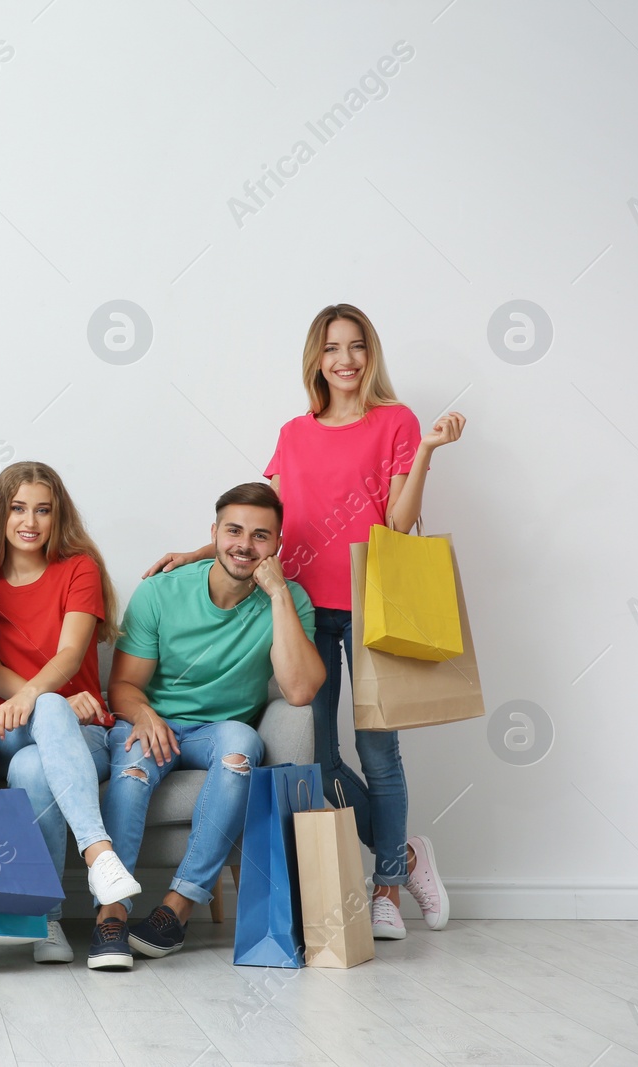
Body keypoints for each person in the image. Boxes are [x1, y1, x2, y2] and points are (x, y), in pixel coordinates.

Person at [145, 303, 466, 939]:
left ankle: (386, 890)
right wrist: (201, 550)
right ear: (315, 360)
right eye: (332, 349)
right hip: (302, 607)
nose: (345, 361)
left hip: (375, 604)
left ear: (370, 356)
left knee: (380, 754)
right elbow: (265, 521)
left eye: (356, 347)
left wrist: (427, 449)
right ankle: (405, 851)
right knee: (317, 760)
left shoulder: (396, 421)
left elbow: (398, 524)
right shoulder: (295, 432)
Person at [91, 483, 325, 970]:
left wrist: (279, 591)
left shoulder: (289, 599)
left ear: (276, 546)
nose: (244, 544)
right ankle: (110, 913)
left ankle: (176, 909)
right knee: (132, 773)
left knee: (243, 743)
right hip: (152, 725)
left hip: (219, 730)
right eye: (234, 530)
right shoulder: (162, 591)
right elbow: (124, 689)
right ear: (213, 533)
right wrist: (147, 715)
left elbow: (301, 691)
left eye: (261, 536)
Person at [0, 462, 142, 964]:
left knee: (29, 769)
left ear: (57, 516)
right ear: (0, 514)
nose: (30, 520)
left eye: (43, 510)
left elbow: (70, 654)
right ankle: (98, 854)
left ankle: (47, 918)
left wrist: (45, 704)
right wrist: (46, 702)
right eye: (18, 508)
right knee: (31, 734)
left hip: (78, 733)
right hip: (7, 726)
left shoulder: (79, 568)